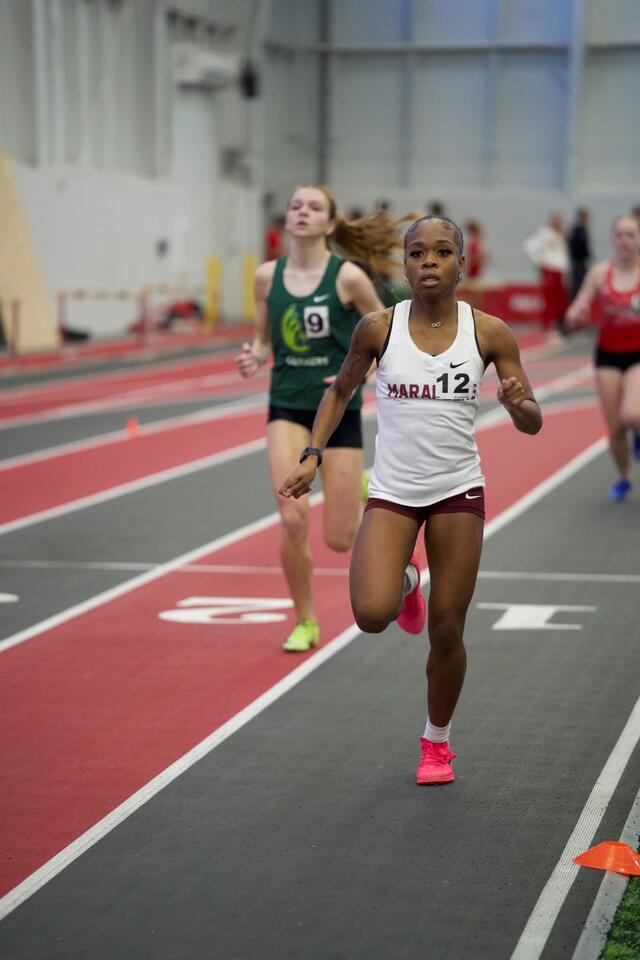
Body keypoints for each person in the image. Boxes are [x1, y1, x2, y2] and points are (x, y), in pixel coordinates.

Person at [279, 215, 542, 784]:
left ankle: (437, 742)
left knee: (447, 627)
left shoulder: (491, 333)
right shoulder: (377, 328)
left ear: (461, 264)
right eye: (418, 253)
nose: (429, 261)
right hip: (395, 491)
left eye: (442, 252)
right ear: (404, 265)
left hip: (457, 491)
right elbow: (341, 390)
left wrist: (519, 402)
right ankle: (407, 582)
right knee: (372, 614)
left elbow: (532, 423)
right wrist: (313, 453)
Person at [237, 184, 414, 653]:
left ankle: (397, 557)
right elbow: (261, 337)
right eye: (295, 205)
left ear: (330, 224)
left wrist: (356, 371)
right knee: (292, 520)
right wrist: (254, 356)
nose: (302, 212)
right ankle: (305, 620)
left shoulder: (348, 278)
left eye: (314, 207)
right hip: (287, 405)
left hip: (336, 412)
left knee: (340, 539)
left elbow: (387, 334)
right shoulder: (265, 277)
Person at [565, 215, 640, 501]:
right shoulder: (599, 273)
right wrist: (576, 314)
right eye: (620, 235)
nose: (625, 241)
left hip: (637, 354)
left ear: (639, 240)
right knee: (615, 427)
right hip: (608, 354)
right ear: (612, 239)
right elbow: (580, 304)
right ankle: (624, 476)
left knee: (632, 413)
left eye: (631, 235)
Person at [524, 212, 569, 330]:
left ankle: (559, 323)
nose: (560, 224)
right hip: (550, 269)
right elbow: (530, 247)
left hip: (559, 270)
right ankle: (548, 324)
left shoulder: (560, 234)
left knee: (560, 299)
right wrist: (539, 263)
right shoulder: (545, 233)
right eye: (557, 221)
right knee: (550, 298)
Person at [568, 208, 592, 301]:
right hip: (578, 262)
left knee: (580, 284)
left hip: (580, 262)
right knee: (578, 285)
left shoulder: (578, 230)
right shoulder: (579, 231)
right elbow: (576, 248)